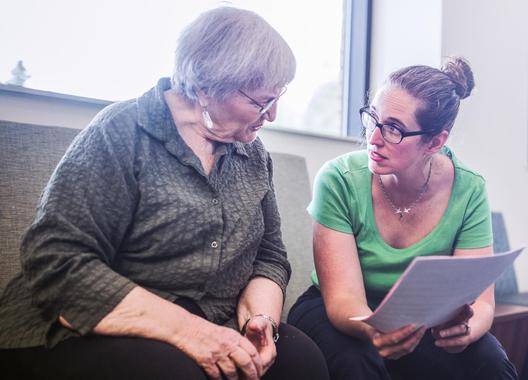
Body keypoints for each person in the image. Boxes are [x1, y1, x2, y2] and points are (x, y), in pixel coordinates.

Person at [0, 6, 328, 380]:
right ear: (206, 86)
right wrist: (192, 332)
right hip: (89, 324)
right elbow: (57, 262)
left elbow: (270, 256)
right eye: (260, 101)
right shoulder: (121, 133)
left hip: (213, 319)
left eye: (276, 98)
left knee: (302, 361)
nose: (271, 116)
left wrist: (261, 320)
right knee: (174, 372)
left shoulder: (252, 154)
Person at [288, 58, 518, 379]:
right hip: (341, 312)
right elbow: (343, 298)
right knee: (359, 360)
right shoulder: (339, 178)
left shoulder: (469, 188)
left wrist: (464, 331)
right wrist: (375, 333)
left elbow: (482, 304)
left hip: (417, 319)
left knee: (490, 361)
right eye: (372, 119)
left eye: (393, 129)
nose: (374, 139)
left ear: (435, 141)